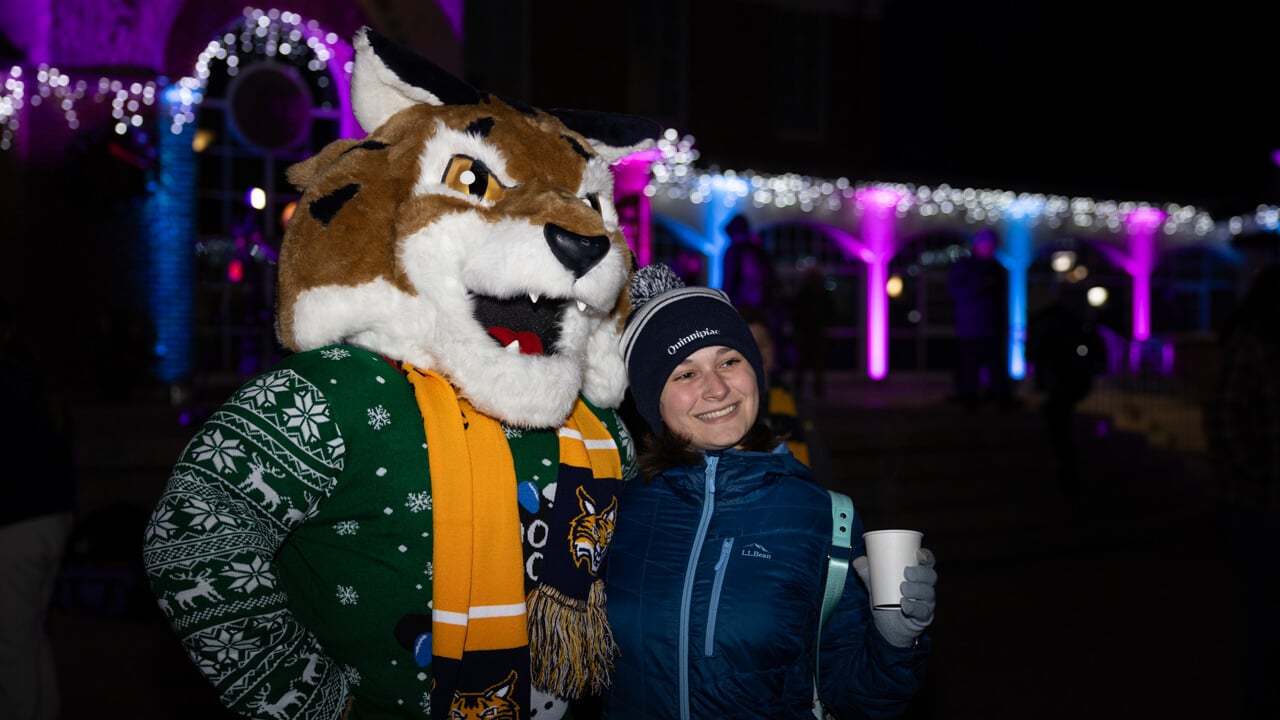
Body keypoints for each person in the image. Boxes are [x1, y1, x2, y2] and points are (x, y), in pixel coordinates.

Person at [603, 264, 935, 719]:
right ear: (650, 400)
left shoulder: (824, 518)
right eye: (684, 374)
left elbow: (856, 699)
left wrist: (895, 641)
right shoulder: (617, 510)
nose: (717, 388)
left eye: (729, 361)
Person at [1203, 264, 1280, 719]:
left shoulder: (1257, 349)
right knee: (1263, 611)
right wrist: (1255, 479)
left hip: (1256, 499)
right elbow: (1230, 425)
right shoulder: (1254, 350)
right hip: (1257, 505)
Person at [0, 302, 76, 720]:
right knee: (28, 635)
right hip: (50, 516)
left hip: (16, 521)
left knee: (10, 646)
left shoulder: (9, 378)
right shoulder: (29, 374)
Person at [1025, 283, 1106, 497]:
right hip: (1071, 379)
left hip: (1062, 379)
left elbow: (1032, 352)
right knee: (1059, 417)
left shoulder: (1048, 322)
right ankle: (1067, 472)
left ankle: (1065, 471)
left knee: (1057, 419)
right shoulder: (1073, 321)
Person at [945, 229, 1014, 410]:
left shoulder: (996, 268)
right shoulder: (966, 266)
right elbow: (955, 292)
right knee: (970, 368)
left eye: (992, 246)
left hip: (991, 328)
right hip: (971, 329)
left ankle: (999, 399)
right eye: (987, 245)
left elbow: (1002, 300)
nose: (990, 249)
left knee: (995, 367)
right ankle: (970, 401)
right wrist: (980, 285)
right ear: (978, 245)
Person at [789, 266, 835, 397]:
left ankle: (817, 389)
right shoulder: (803, 294)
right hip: (805, 331)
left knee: (818, 363)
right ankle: (799, 388)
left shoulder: (822, 295)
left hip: (817, 331)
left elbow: (831, 311)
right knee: (802, 362)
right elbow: (795, 312)